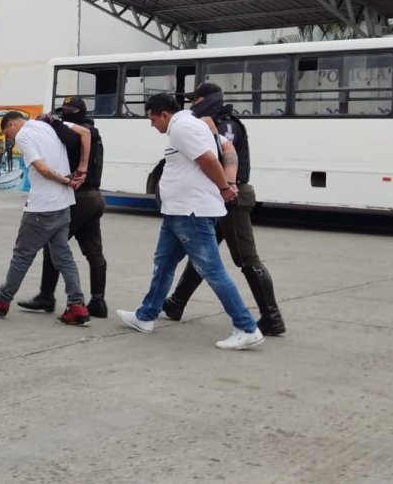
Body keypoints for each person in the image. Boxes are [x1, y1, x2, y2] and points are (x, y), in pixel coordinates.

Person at [115, 94, 265, 350]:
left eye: (152, 119)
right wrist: (227, 182)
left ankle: (246, 326)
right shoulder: (193, 124)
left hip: (190, 212)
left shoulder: (182, 128)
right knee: (163, 263)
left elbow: (208, 159)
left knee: (212, 270)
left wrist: (225, 187)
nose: (152, 125)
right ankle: (146, 315)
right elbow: (226, 148)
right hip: (177, 211)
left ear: (164, 114)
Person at [162, 82, 286, 335]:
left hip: (232, 198)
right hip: (215, 199)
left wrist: (227, 187)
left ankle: (272, 318)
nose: (191, 106)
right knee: (202, 253)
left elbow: (217, 155)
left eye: (194, 101)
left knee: (246, 258)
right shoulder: (207, 124)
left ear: (207, 100)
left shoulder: (226, 124)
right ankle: (176, 303)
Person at [0, 112, 91, 325]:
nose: (10, 140)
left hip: (42, 207)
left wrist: (65, 181)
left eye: (7, 134)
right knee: (63, 256)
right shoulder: (49, 125)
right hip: (64, 204)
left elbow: (42, 168)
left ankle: (2, 300)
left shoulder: (23, 135)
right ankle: (77, 305)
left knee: (22, 255)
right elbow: (85, 133)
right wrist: (82, 169)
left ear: (11, 124)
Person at [17, 97, 108, 317]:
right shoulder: (90, 131)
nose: (65, 115)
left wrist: (53, 121)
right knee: (93, 251)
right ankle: (98, 301)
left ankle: (47, 296)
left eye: (70, 112)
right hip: (93, 197)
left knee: (54, 247)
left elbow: (70, 139)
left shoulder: (82, 131)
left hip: (79, 196)